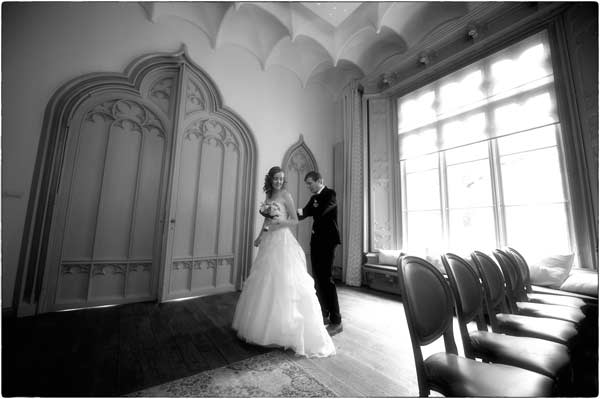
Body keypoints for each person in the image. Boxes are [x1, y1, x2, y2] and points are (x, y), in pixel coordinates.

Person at [232, 166, 335, 358]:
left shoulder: (286, 195)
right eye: (276, 179)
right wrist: (259, 237)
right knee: (264, 281)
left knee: (285, 281)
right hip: (269, 241)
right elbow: (267, 221)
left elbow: (295, 220)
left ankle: (286, 328)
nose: (279, 181)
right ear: (270, 179)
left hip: (283, 240)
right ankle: (265, 326)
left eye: (281, 179)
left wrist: (281, 224)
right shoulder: (269, 197)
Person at [297, 171, 342, 336]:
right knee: (317, 278)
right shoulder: (314, 198)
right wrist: (286, 212)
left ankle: (337, 320)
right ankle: (324, 314)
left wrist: (307, 211)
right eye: (307, 184)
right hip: (315, 242)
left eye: (310, 183)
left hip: (328, 242)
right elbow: (304, 212)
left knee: (327, 279)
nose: (308, 186)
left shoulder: (330, 194)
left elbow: (323, 211)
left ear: (319, 181)